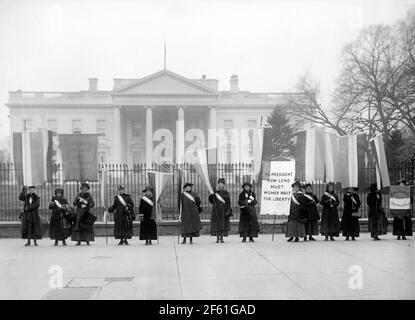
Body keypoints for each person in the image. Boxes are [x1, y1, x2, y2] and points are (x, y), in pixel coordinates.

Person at [209, 178, 232, 243]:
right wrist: (212, 196)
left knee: (222, 223)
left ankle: (221, 237)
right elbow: (211, 201)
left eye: (221, 184)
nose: (220, 185)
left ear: (223, 185)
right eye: (219, 183)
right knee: (217, 223)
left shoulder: (226, 192)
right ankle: (217, 237)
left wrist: (228, 210)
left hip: (223, 210)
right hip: (216, 209)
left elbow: (228, 202)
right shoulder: (215, 192)